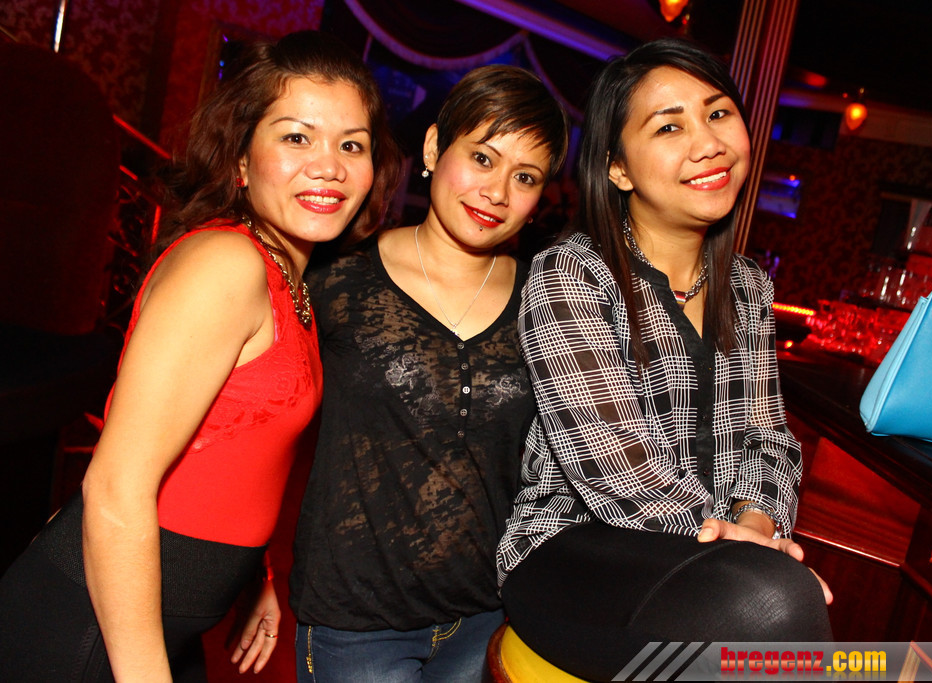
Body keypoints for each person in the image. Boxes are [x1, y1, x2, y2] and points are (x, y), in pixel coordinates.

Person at [0, 30, 400, 682]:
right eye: (297, 137)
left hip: (160, 624)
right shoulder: (226, 263)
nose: (329, 165)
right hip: (89, 632)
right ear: (241, 159)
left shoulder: (289, 276)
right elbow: (115, 487)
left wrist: (253, 575)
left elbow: (232, 449)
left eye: (351, 144)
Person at [496, 37, 834, 682]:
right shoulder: (572, 274)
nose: (708, 143)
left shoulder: (747, 286)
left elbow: (771, 442)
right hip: (575, 556)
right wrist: (741, 550)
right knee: (773, 606)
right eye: (669, 127)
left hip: (724, 561)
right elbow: (616, 470)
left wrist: (758, 522)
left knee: (770, 609)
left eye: (718, 113)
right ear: (618, 169)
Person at [289, 65, 568, 683]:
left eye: (525, 177)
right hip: (355, 628)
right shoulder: (336, 276)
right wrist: (249, 566)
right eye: (482, 158)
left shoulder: (549, 303)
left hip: (488, 620)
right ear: (436, 147)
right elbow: (257, 425)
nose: (497, 192)